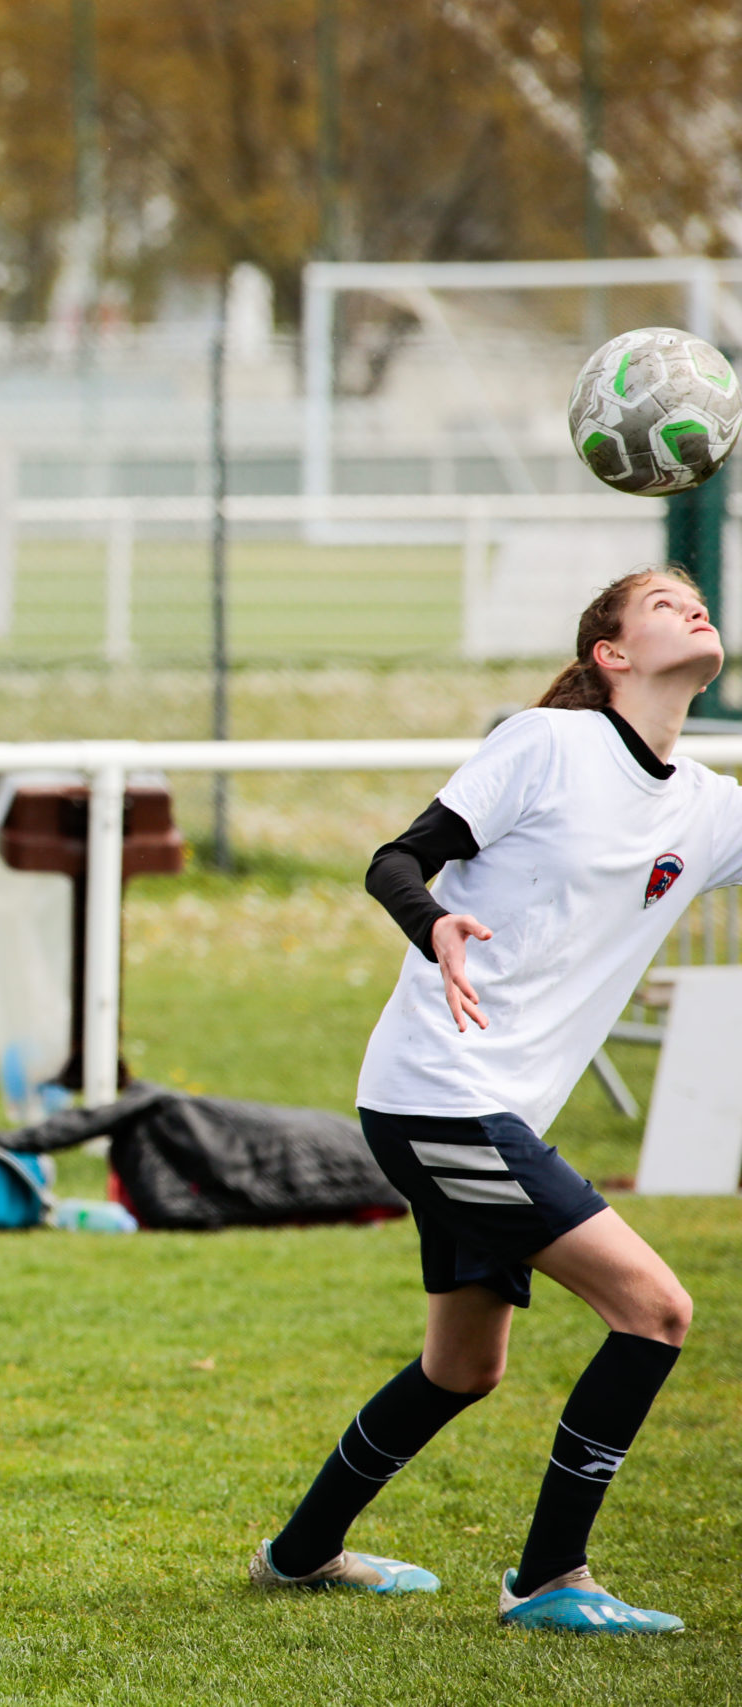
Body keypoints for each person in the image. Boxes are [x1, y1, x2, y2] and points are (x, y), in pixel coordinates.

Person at [248, 567, 733, 1634]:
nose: (691, 608)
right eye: (661, 603)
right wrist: (435, 925)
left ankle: (299, 1554)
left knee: (461, 1367)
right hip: (439, 1097)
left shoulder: (706, 808)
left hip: (486, 1113)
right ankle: (550, 1578)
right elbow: (396, 858)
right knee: (653, 1311)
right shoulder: (544, 744)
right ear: (609, 653)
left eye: (697, 597)